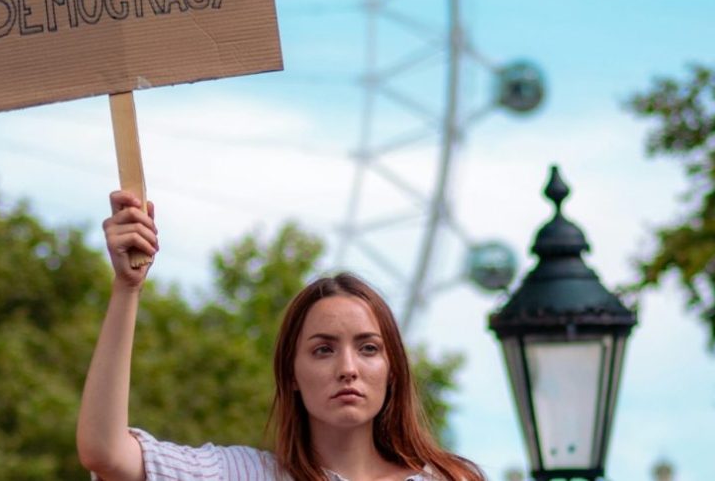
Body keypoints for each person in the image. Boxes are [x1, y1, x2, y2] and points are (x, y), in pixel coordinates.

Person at [77, 191, 484, 481]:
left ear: (392, 368)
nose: (348, 369)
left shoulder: (452, 478)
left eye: (368, 349)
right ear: (291, 373)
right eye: (323, 350)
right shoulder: (243, 474)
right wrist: (127, 288)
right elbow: (106, 453)